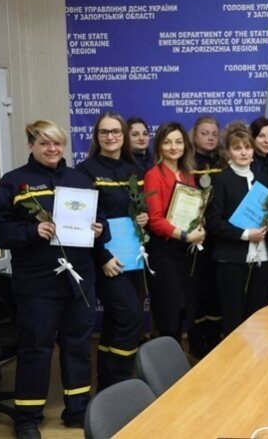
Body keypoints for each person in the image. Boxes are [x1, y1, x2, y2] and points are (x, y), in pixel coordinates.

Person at [0, 120, 106, 438]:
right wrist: (31, 231)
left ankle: (77, 410)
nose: (52, 149)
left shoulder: (80, 180)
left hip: (79, 279)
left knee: (78, 345)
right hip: (36, 284)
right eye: (44, 143)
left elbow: (99, 219)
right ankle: (27, 417)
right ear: (31, 145)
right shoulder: (14, 183)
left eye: (57, 143)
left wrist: (99, 228)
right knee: (36, 348)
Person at [76, 112, 147, 390]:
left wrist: (142, 217)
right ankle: (119, 384)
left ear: (124, 135)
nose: (110, 136)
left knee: (118, 321)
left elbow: (137, 208)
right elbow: (86, 221)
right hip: (105, 260)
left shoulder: (135, 170)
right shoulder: (85, 171)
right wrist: (103, 257)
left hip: (134, 258)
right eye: (104, 132)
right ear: (96, 137)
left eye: (116, 131)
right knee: (130, 317)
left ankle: (108, 387)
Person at [205, 125, 268, 335]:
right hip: (231, 259)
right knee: (233, 316)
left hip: (260, 258)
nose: (244, 152)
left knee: (257, 313)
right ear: (228, 152)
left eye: (247, 147)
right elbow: (214, 222)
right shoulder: (221, 180)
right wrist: (245, 235)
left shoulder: (262, 178)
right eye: (237, 148)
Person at [143, 122, 205, 346]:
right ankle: (166, 363)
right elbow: (155, 220)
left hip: (185, 252)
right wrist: (186, 236)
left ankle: (177, 359)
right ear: (159, 145)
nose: (173, 147)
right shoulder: (153, 175)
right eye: (167, 142)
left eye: (178, 142)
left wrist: (200, 225)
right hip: (163, 251)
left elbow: (194, 210)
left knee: (183, 309)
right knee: (168, 314)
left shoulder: (188, 175)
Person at [187, 116, 223, 357]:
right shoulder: (187, 162)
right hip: (194, 237)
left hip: (218, 237)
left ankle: (215, 340)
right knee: (195, 290)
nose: (210, 137)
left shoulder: (223, 161)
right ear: (194, 135)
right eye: (204, 133)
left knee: (215, 290)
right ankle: (196, 344)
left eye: (214, 134)